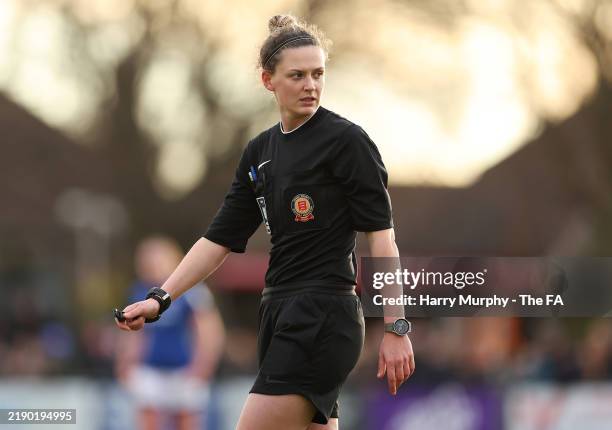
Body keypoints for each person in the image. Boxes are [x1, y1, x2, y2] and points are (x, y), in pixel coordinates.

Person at [116, 14, 415, 430]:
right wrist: (161, 299)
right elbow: (218, 240)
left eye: (318, 74)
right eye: (297, 75)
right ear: (267, 80)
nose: (310, 85)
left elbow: (383, 243)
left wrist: (397, 327)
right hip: (276, 312)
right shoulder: (259, 152)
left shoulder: (347, 142)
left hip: (322, 314)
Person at [115, 237, 225, 430]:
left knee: (186, 420)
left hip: (184, 367)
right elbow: (135, 334)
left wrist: (203, 364)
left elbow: (209, 330)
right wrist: (125, 362)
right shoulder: (139, 290)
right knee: (148, 419)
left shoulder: (193, 291)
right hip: (150, 367)